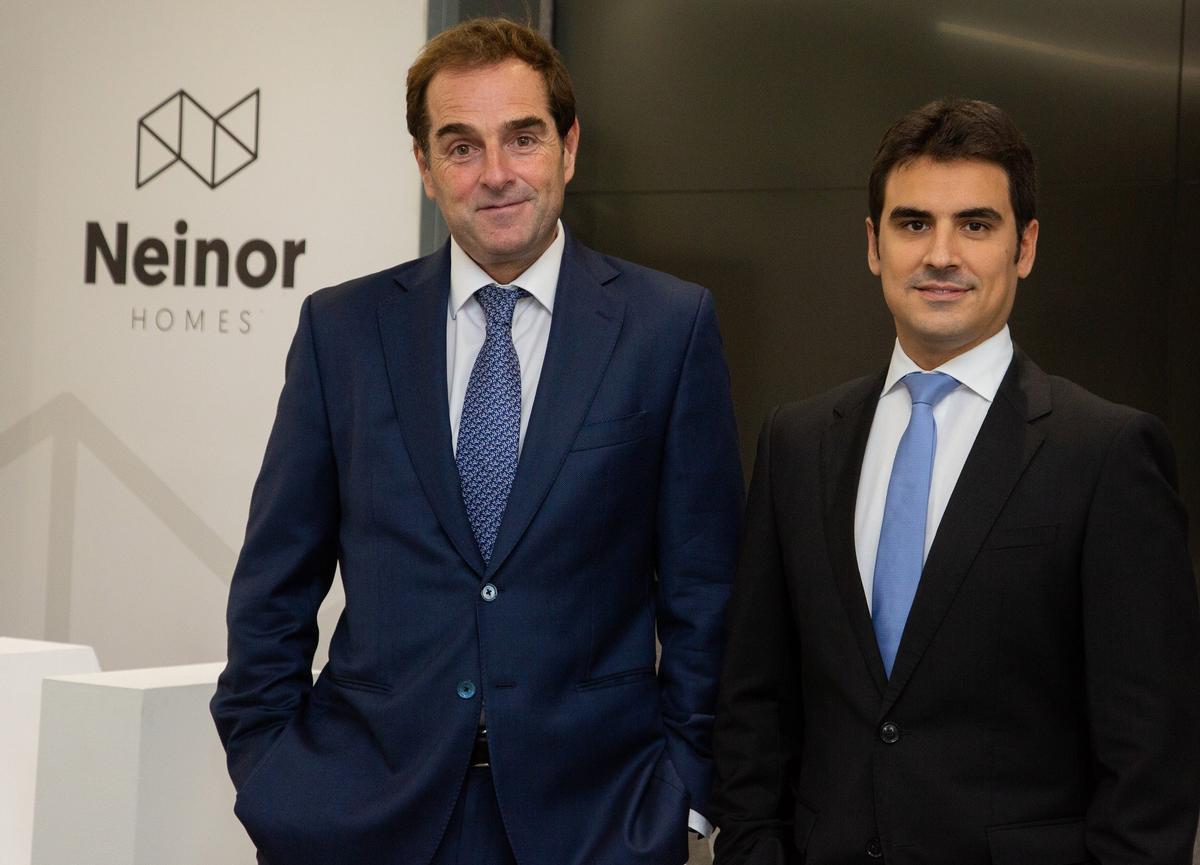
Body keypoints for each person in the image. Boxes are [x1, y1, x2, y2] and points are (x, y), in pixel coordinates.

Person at [210, 17, 743, 865]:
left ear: (569, 147)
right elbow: (274, 585)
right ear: (425, 167)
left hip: (597, 818)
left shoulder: (667, 327)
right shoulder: (342, 331)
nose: (496, 173)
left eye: (523, 138)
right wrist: (273, 773)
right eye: (461, 146)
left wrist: (682, 798)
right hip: (366, 816)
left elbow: (706, 594)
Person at [710, 98, 1200, 865]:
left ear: (1025, 246)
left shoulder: (1106, 454)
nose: (941, 254)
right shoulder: (798, 443)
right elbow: (754, 705)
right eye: (913, 224)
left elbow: (1150, 763)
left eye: (975, 224)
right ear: (873, 245)